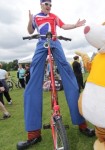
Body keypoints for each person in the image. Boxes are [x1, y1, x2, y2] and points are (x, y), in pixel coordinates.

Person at [17, 0, 94, 150]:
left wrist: (75, 25)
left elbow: (63, 25)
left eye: (50, 4)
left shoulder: (54, 16)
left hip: (55, 43)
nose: (49, 6)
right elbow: (30, 31)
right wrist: (29, 20)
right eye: (46, 4)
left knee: (71, 81)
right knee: (32, 84)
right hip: (41, 43)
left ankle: (82, 125)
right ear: (41, 4)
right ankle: (33, 135)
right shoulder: (36, 17)